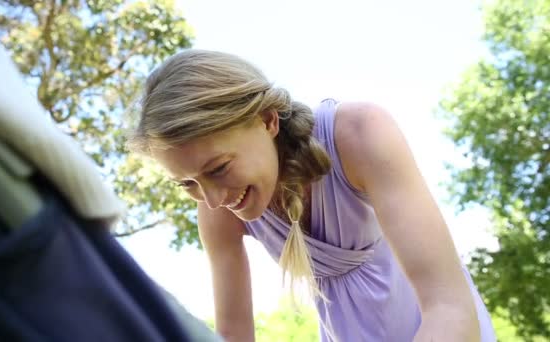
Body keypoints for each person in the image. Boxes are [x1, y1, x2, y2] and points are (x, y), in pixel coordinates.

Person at [127, 49, 496, 342]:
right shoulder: (219, 210)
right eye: (187, 183)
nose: (211, 199)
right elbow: (234, 337)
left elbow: (449, 305)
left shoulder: (360, 133)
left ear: (268, 120)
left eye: (219, 168)